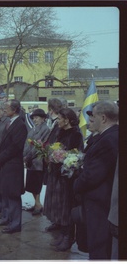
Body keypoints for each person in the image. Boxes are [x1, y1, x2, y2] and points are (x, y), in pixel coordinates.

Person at [73, 100, 119, 259]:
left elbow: (93, 175)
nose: (90, 119)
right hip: (102, 202)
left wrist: (76, 184)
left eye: (94, 116)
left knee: (99, 246)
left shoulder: (108, 139)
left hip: (100, 204)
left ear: (104, 118)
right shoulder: (110, 135)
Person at [44, 108, 84, 252]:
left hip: (67, 178)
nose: (58, 121)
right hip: (55, 174)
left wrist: (62, 156)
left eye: (60, 118)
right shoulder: (59, 131)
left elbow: (77, 157)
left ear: (67, 120)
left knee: (66, 207)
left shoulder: (76, 134)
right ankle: (62, 233)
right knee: (59, 206)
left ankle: (68, 236)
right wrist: (50, 155)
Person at [0, 99, 27, 234]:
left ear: (14, 110)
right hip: (6, 165)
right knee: (6, 192)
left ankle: (15, 223)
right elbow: (3, 142)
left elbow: (15, 147)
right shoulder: (10, 122)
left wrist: (1, 157)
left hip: (13, 166)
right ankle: (7, 217)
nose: (5, 109)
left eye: (7, 108)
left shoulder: (20, 125)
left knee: (13, 195)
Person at [23, 108, 50, 215]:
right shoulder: (33, 129)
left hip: (38, 161)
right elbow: (27, 143)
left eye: (37, 117)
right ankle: (36, 203)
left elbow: (40, 146)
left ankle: (38, 204)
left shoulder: (45, 129)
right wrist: (24, 155)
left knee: (36, 184)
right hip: (31, 161)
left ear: (43, 118)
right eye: (33, 118)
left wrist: (28, 156)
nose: (35, 120)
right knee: (31, 184)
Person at [43, 97, 63, 232]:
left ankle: (59, 222)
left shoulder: (58, 124)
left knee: (57, 196)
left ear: (51, 109)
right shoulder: (53, 122)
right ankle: (55, 220)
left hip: (57, 164)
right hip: (51, 163)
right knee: (52, 195)